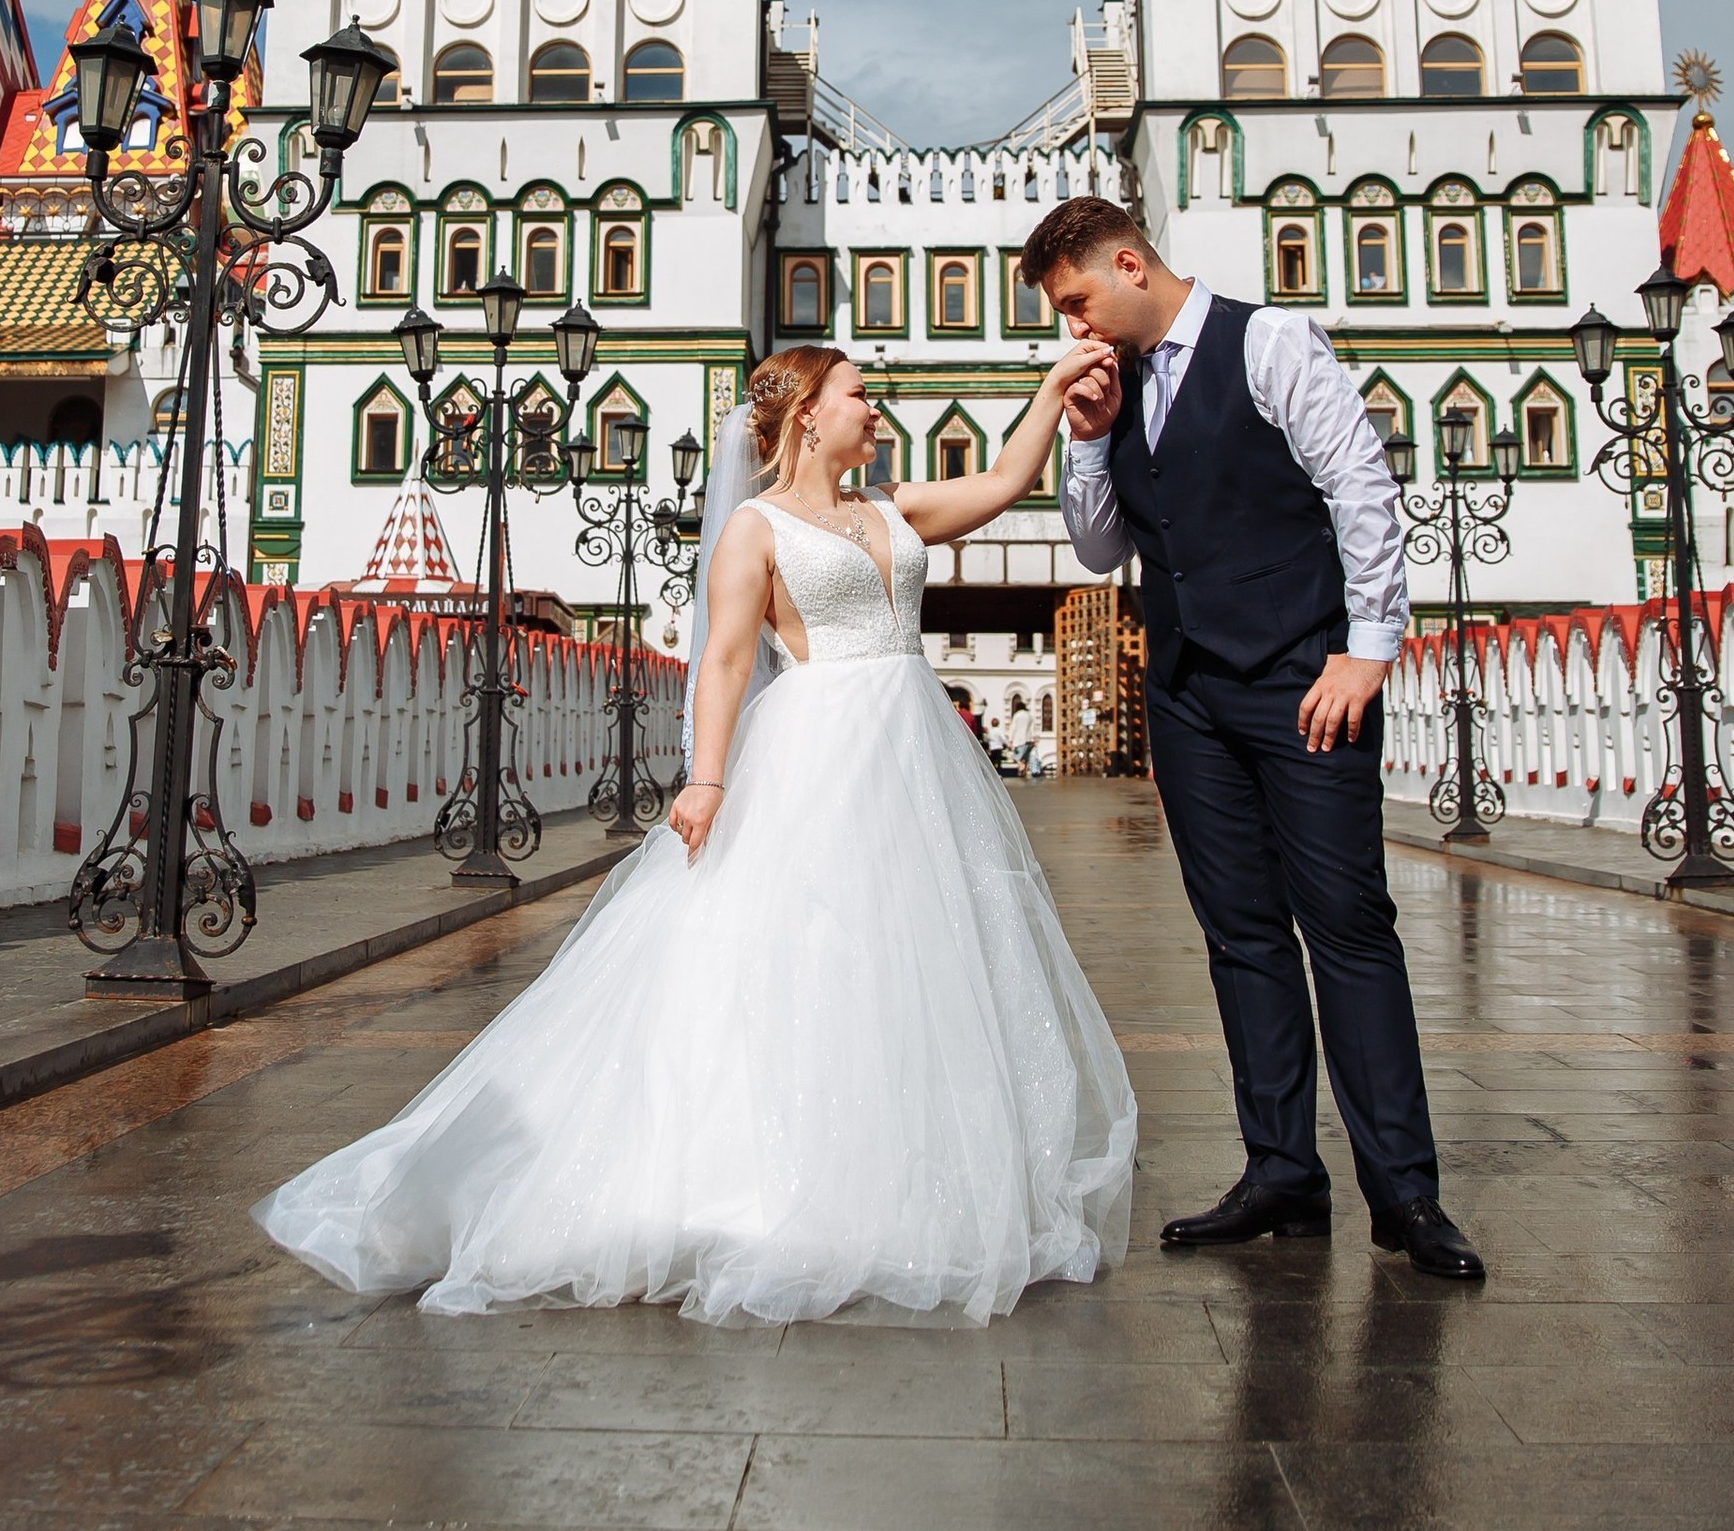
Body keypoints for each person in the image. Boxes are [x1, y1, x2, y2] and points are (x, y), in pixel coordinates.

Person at [254, 342, 1137, 1324]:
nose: (874, 412)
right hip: (821, 748)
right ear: (807, 414)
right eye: (858, 396)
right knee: (807, 946)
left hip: (915, 748)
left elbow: (1007, 479)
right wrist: (707, 778)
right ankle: (769, 1184)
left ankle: (892, 1166)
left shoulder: (893, 509)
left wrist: (1053, 391)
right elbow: (719, 660)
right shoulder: (755, 531)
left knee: (910, 951)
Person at [1020, 196, 1483, 1282]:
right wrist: (1089, 441)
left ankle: (1404, 1191)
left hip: (1301, 674)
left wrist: (1367, 648)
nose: (1072, 329)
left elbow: (1358, 485)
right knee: (1239, 935)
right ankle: (1281, 1168)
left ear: (1129, 263)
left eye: (1077, 301)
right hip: (1188, 696)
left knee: (1347, 925)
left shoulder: (1267, 339)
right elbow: (1098, 551)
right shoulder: (1117, 387)